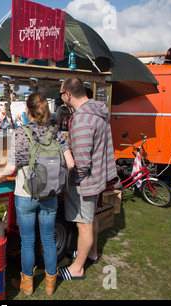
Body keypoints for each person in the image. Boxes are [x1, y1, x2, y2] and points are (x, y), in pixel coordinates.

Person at [0, 93, 74, 296]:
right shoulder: (56, 133)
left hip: (25, 194)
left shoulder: (21, 133)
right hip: (51, 195)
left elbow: (11, 167)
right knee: (48, 240)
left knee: (27, 242)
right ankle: (50, 285)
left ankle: (27, 286)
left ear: (27, 110)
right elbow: (71, 164)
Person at [57, 77, 117, 281]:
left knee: (83, 224)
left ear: (68, 95)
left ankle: (77, 268)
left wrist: (72, 179)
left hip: (85, 181)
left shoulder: (82, 119)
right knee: (90, 219)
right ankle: (91, 253)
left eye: (61, 94)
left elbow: (81, 161)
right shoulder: (97, 110)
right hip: (98, 176)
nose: (61, 98)